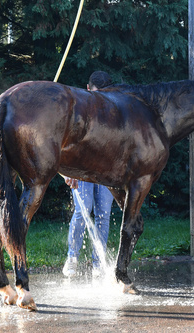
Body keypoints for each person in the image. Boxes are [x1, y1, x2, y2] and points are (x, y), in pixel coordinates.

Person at [62, 71, 115, 277]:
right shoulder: (79, 112)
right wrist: (69, 171)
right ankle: (72, 257)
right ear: (87, 89)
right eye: (96, 94)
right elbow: (68, 144)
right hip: (82, 170)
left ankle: (98, 263)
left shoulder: (113, 114)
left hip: (105, 171)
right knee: (83, 211)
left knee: (103, 215)